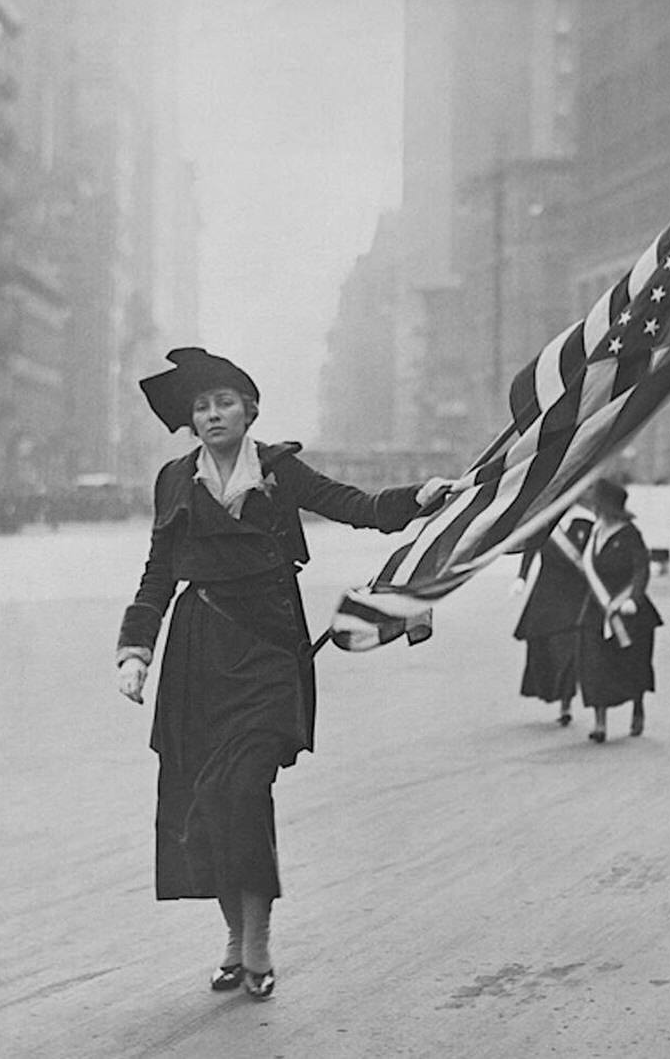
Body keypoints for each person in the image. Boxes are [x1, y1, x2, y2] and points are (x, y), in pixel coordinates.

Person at [115, 347, 452, 1001]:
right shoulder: (173, 480)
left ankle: (259, 943)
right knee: (206, 803)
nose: (213, 415)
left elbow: (355, 504)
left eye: (225, 402)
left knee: (243, 789)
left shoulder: (281, 470)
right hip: (198, 655)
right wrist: (136, 651)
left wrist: (420, 497)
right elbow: (158, 573)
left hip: (269, 651)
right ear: (192, 418)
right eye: (202, 406)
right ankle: (234, 944)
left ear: (250, 409)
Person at [575, 478, 663, 743]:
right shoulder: (595, 532)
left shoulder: (629, 533)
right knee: (593, 663)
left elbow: (641, 568)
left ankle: (637, 706)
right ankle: (599, 722)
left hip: (628, 609)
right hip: (596, 608)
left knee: (633, 663)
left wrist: (634, 598)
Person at [513, 505, 594, 725]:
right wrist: (521, 577)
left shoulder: (586, 522)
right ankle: (551, 691)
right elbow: (530, 549)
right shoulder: (545, 522)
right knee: (541, 645)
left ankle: (566, 703)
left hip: (574, 595)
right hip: (545, 594)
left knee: (567, 649)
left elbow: (592, 559)